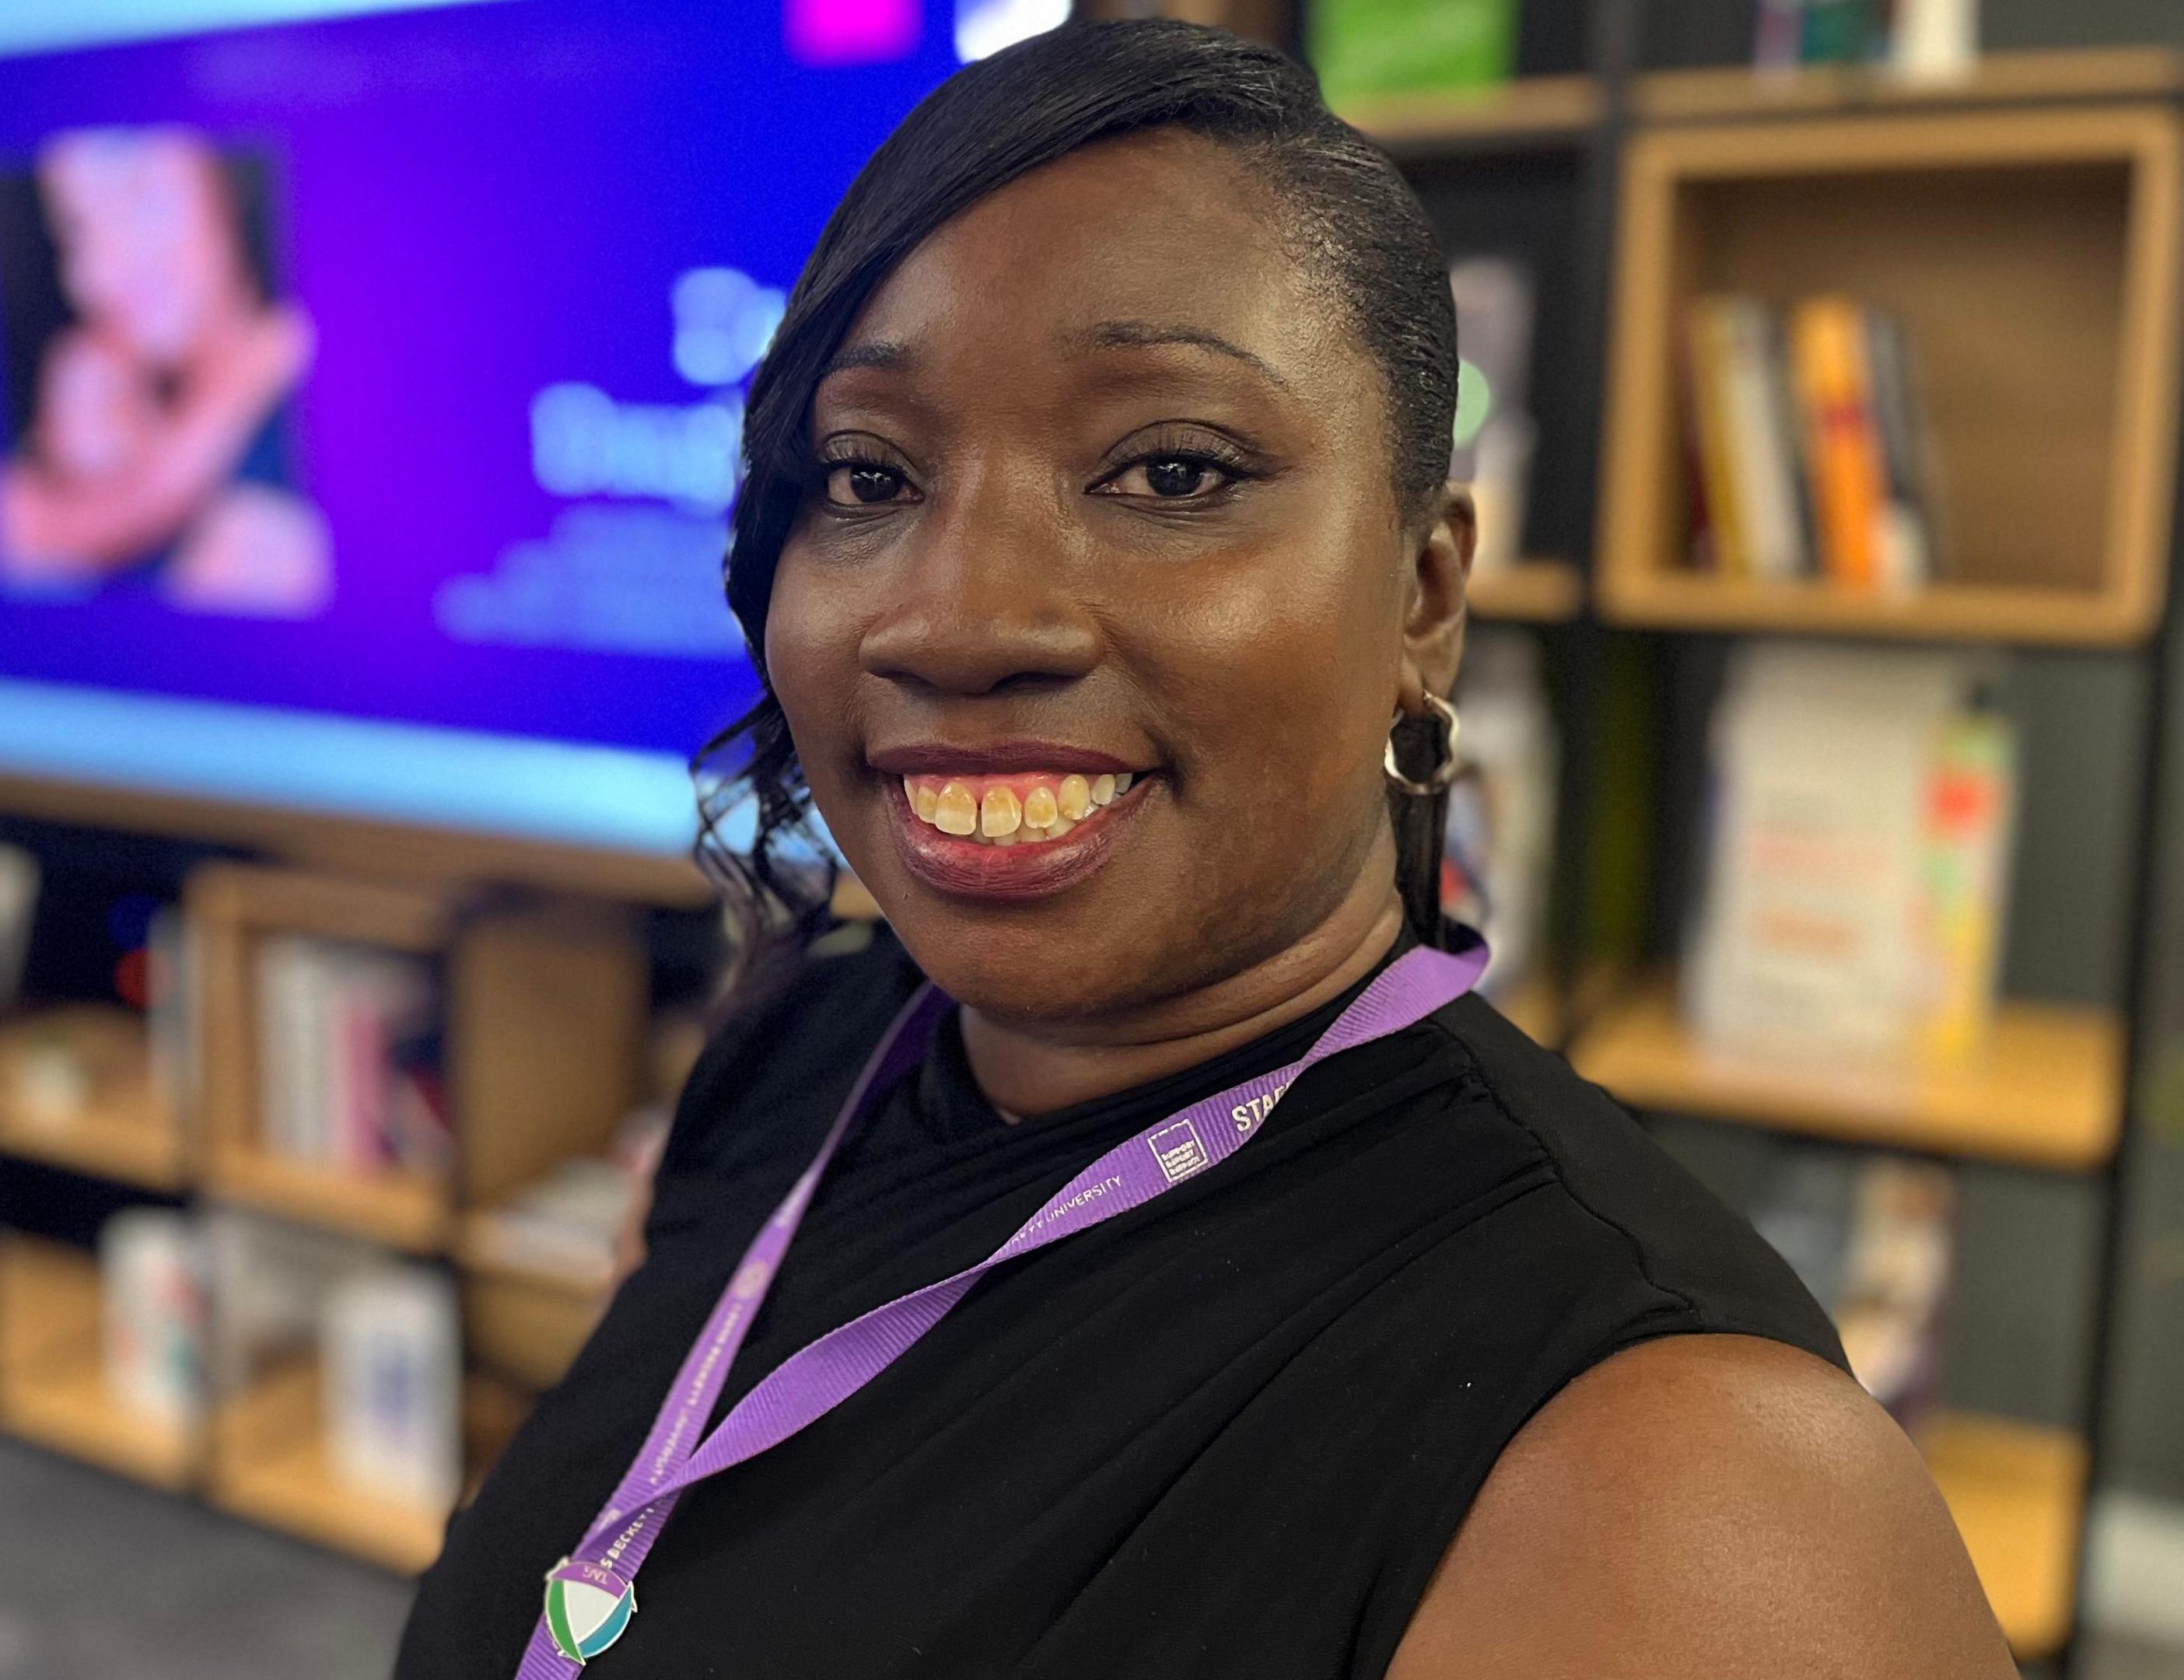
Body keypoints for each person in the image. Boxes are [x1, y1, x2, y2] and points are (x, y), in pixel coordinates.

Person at [400, 22, 2014, 1680]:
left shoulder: (1681, 1477)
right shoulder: (793, 1063)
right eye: (870, 474)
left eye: (1171, 469)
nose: (961, 619)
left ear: (1424, 598)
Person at [0, 127, 330, 618]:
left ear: (224, 186)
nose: (105, 260)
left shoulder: (303, 432)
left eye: (139, 196)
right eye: (77, 228)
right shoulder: (93, 386)